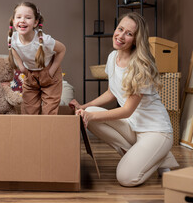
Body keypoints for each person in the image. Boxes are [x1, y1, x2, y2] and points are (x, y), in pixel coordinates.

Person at [69, 12, 179, 187]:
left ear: (136, 40)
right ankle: (156, 156)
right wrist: (84, 106)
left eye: (129, 33)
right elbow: (112, 92)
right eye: (120, 29)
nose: (120, 35)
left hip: (156, 131)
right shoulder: (113, 57)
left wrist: (92, 117)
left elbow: (127, 110)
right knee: (87, 113)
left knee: (126, 178)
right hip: (132, 127)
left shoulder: (141, 66)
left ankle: (158, 157)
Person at [7, 1, 66, 115]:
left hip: (49, 73)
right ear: (14, 21)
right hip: (30, 75)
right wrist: (22, 67)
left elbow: (62, 49)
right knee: (29, 110)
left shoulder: (44, 40)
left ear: (35, 23)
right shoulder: (12, 38)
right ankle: (30, 133)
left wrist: (51, 71)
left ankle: (47, 132)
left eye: (28, 17)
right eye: (18, 17)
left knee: (49, 112)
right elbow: (13, 49)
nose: (22, 20)